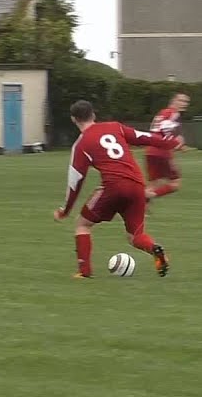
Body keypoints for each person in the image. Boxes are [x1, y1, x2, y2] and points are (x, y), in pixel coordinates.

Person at [53, 100, 181, 279]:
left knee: (82, 224)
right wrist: (170, 142)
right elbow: (145, 137)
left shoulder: (81, 145)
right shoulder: (115, 127)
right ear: (93, 115)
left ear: (74, 119)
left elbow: (75, 182)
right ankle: (155, 249)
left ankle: (84, 272)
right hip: (137, 185)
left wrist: (65, 210)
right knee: (135, 236)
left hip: (113, 186)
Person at [146, 92, 191, 201]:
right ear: (173, 101)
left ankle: (141, 210)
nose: (184, 104)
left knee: (155, 183)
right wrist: (178, 143)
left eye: (186, 102)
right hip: (162, 152)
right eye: (181, 101)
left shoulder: (163, 113)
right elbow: (165, 131)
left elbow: (158, 131)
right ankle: (142, 197)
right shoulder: (173, 113)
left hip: (150, 151)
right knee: (175, 183)